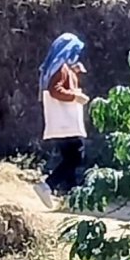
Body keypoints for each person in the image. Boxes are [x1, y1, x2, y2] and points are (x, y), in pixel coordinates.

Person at [40, 32, 89, 195]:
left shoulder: (59, 68)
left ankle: (70, 195)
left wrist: (73, 72)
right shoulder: (60, 68)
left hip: (60, 125)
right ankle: (48, 185)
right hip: (68, 123)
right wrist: (76, 97)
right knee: (76, 157)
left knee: (69, 159)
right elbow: (55, 90)